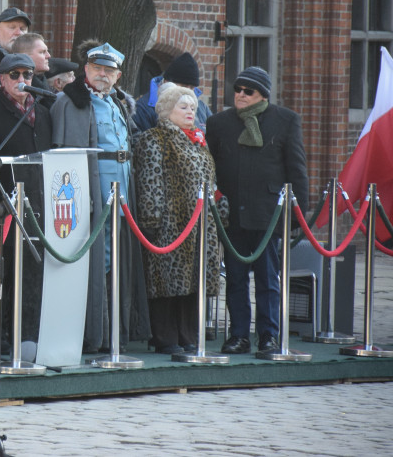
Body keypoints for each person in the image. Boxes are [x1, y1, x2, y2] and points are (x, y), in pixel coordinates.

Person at [49, 40, 150, 353]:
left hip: (121, 192)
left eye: (109, 70)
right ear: (86, 70)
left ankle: (114, 329)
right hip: (94, 192)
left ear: (118, 76)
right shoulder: (72, 102)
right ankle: (97, 330)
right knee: (100, 259)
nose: (103, 75)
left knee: (115, 258)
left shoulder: (117, 102)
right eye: (97, 68)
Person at [206, 67, 308, 354]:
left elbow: (296, 168)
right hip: (232, 215)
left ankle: (268, 335)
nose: (240, 95)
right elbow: (210, 166)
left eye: (247, 91)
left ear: (263, 94)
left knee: (267, 279)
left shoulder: (285, 120)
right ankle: (239, 334)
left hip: (267, 213)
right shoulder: (219, 123)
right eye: (237, 89)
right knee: (236, 279)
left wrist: (298, 213)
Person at [132, 83, 227, 354]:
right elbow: (150, 183)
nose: (190, 111)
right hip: (169, 226)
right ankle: (164, 337)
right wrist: (152, 220)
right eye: (183, 106)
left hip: (200, 225)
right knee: (167, 283)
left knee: (192, 283)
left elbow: (212, 181)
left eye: (193, 108)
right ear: (166, 109)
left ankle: (188, 334)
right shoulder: (154, 139)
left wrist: (221, 212)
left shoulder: (198, 140)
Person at [0, 53, 54, 344]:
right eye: (15, 75)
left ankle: (26, 333)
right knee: (1, 272)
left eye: (27, 75)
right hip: (3, 200)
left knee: (32, 271)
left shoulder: (44, 110)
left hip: (36, 203)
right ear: (1, 79)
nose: (22, 80)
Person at [133, 52, 212, 132]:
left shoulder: (202, 108)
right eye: (183, 86)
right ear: (166, 83)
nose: (188, 92)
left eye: (191, 88)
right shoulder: (143, 109)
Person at [9, 32, 55, 107]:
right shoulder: (17, 90)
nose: (48, 56)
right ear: (25, 56)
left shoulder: (43, 81)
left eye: (47, 51)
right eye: (42, 52)